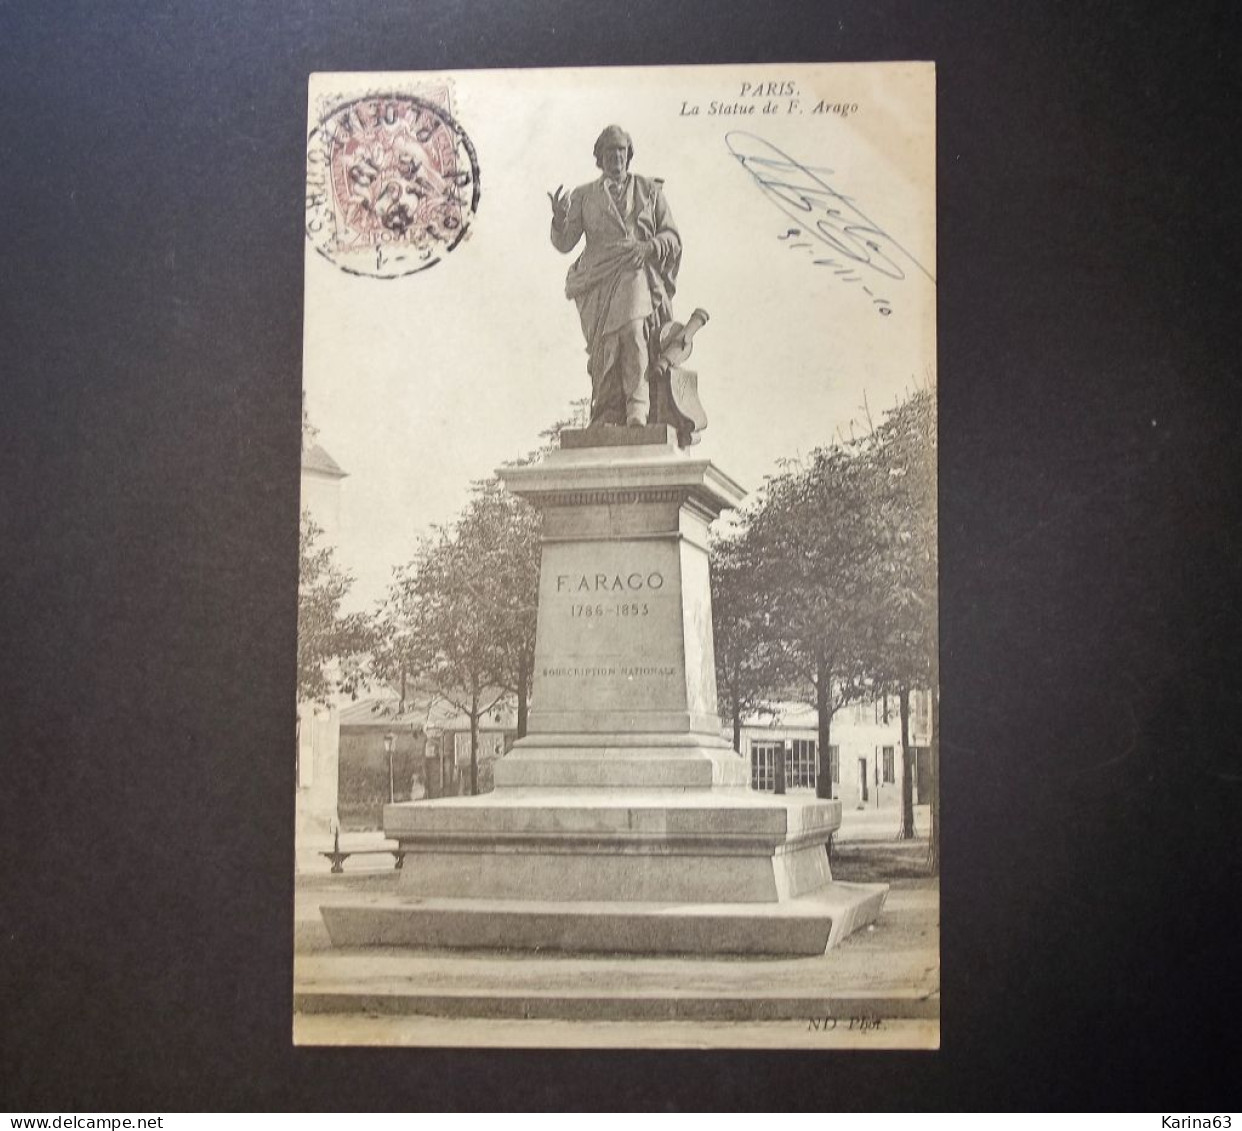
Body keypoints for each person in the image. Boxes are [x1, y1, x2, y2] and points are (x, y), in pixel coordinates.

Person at [549, 126, 681, 427]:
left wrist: (650, 246)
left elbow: (672, 236)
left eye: (621, 151)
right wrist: (559, 219)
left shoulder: (650, 190)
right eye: (609, 152)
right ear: (600, 158)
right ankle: (607, 410)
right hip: (597, 279)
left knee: (634, 332)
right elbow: (565, 243)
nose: (616, 157)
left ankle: (638, 408)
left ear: (628, 155)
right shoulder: (583, 195)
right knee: (605, 346)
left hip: (635, 268)